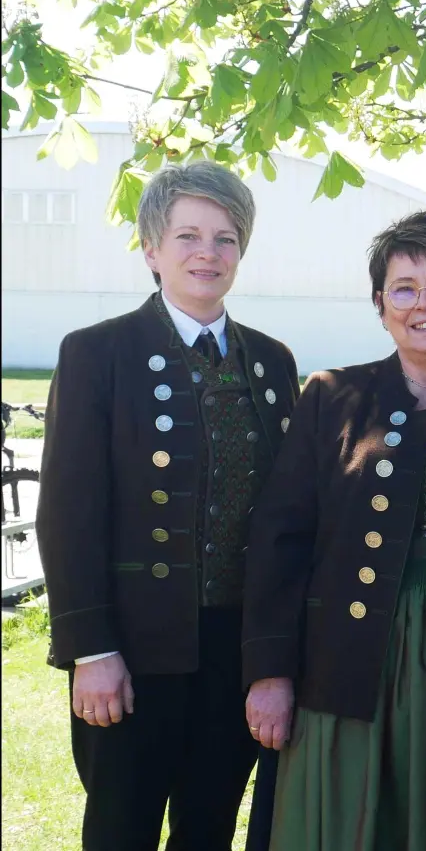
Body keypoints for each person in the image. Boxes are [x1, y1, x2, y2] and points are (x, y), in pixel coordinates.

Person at [36, 160, 299, 850]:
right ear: (151, 249)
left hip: (234, 650)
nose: (207, 254)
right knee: (121, 826)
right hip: (134, 646)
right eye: (187, 236)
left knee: (209, 826)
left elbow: (286, 520)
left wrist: (275, 654)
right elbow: (69, 512)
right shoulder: (100, 353)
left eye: (225, 238)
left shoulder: (271, 363)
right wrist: (91, 650)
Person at [240, 210, 426, 849]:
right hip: (351, 656)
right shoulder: (333, 397)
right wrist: (270, 672)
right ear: (380, 305)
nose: (423, 304)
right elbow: (280, 540)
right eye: (403, 288)